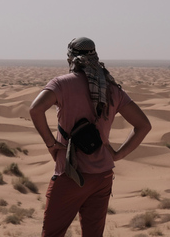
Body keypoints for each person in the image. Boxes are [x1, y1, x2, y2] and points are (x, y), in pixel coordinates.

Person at [29, 37, 151, 237]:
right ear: (95, 57)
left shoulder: (61, 84)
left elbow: (35, 110)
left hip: (70, 174)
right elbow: (143, 125)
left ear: (70, 59)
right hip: (102, 176)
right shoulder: (112, 89)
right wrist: (118, 155)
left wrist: (51, 144)